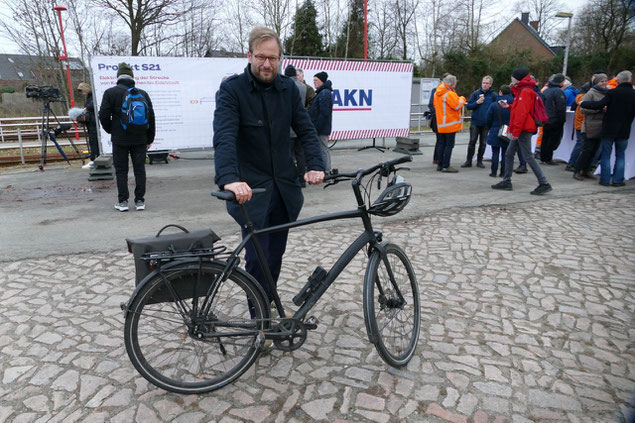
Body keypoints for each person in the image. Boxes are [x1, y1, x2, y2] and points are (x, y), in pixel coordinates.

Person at [213, 26, 325, 310]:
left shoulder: (288, 89)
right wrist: (228, 179)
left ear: (280, 59)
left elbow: (306, 130)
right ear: (250, 55)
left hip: (284, 188)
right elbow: (224, 136)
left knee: (275, 255)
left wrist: (315, 165)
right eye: (261, 57)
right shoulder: (232, 89)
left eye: (273, 58)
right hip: (251, 191)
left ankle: (266, 301)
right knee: (256, 258)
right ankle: (259, 321)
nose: (266, 64)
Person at [99, 62, 155, 212]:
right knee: (139, 169)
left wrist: (111, 130)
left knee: (121, 170)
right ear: (132, 77)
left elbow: (103, 115)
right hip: (140, 139)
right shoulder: (142, 93)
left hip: (120, 139)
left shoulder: (110, 93)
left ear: (118, 77)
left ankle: (123, 201)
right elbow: (151, 117)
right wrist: (150, 138)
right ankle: (140, 201)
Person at [491, 67, 552, 195]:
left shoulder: (524, 91)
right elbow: (520, 109)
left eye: (512, 76)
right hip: (523, 128)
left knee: (528, 156)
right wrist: (509, 106)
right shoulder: (525, 90)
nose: (511, 79)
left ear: (517, 78)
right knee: (509, 154)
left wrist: (516, 132)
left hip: (523, 129)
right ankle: (507, 181)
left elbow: (522, 114)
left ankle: (544, 183)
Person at [581, 70, 635, 187]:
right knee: (620, 155)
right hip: (624, 129)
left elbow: (599, 105)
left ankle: (605, 179)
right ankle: (617, 180)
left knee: (606, 154)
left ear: (618, 81)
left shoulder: (612, 93)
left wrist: (584, 103)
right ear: (630, 80)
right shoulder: (633, 94)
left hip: (609, 128)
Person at [573, 74, 608, 181]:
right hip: (590, 125)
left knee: (595, 150)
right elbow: (583, 109)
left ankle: (586, 170)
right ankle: (577, 170)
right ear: (596, 82)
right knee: (587, 149)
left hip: (601, 125)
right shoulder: (591, 93)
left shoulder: (607, 94)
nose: (604, 83)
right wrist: (599, 109)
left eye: (606, 80)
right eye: (602, 81)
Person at [433, 74, 466, 173]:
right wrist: (462, 98)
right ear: (452, 83)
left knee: (441, 144)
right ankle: (446, 165)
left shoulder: (437, 92)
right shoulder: (449, 94)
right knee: (449, 145)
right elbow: (457, 105)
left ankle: (440, 164)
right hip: (450, 124)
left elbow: (435, 105)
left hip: (441, 123)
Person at [463, 75, 496, 168]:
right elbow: (469, 106)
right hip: (475, 122)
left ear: (490, 85)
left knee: (483, 143)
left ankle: (479, 161)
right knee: (472, 141)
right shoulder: (476, 93)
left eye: (487, 83)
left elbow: (496, 107)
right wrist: (476, 103)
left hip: (486, 123)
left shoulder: (493, 95)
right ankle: (468, 161)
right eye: (483, 83)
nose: (484, 85)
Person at [285, 65, 308, 187]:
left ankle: (291, 179)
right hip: (300, 126)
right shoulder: (303, 86)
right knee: (300, 154)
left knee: (288, 155)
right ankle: (302, 179)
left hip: (289, 127)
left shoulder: (286, 87)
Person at [485, 85, 513, 177]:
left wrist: (489, 127)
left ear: (500, 92)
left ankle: (493, 172)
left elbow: (488, 118)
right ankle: (503, 172)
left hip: (495, 129)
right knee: (505, 153)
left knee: (495, 152)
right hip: (508, 130)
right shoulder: (513, 103)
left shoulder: (494, 104)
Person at [310, 71, 334, 173]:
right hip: (321, 127)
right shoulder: (323, 92)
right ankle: (325, 170)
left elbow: (324, 113)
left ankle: (326, 171)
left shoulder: (324, 93)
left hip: (321, 128)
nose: (314, 82)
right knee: (322, 149)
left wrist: (316, 128)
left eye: (316, 80)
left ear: (322, 81)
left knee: (323, 149)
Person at [540, 73, 567, 165]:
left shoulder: (546, 91)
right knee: (552, 139)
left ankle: (543, 157)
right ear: (561, 82)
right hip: (554, 119)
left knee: (545, 138)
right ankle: (548, 158)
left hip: (546, 118)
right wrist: (562, 119)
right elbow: (561, 107)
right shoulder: (558, 92)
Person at [565, 85, 590, 171]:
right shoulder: (583, 99)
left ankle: (573, 163)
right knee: (580, 144)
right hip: (582, 124)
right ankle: (572, 163)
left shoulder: (579, 98)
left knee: (580, 144)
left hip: (580, 124)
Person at [77, 82, 99, 169]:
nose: (82, 92)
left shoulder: (92, 97)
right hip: (92, 122)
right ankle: (95, 159)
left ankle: (93, 159)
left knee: (93, 141)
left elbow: (92, 106)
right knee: (94, 141)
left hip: (93, 123)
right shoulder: (91, 96)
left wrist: (86, 109)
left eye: (82, 90)